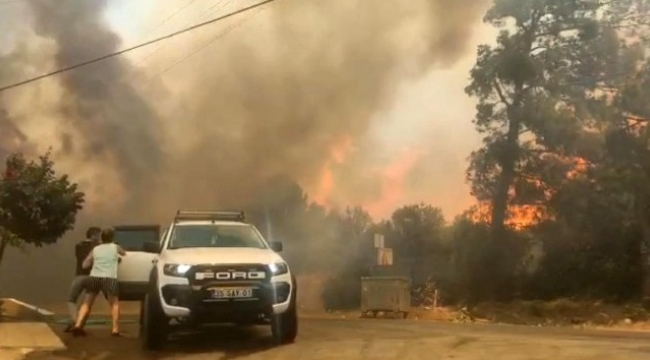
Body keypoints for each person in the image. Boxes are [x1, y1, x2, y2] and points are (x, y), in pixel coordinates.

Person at [70, 228, 126, 337]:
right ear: (112, 238)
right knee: (114, 303)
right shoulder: (115, 247)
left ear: (101, 238)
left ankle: (78, 324)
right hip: (109, 278)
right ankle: (115, 329)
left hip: (94, 277)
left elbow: (84, 265)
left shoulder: (95, 249)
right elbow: (124, 254)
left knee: (87, 303)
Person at [64, 226, 101, 333]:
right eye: (98, 235)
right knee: (87, 304)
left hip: (80, 275)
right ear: (93, 235)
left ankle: (76, 322)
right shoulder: (99, 247)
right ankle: (79, 325)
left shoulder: (78, 246)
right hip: (94, 277)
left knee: (71, 299)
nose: (100, 237)